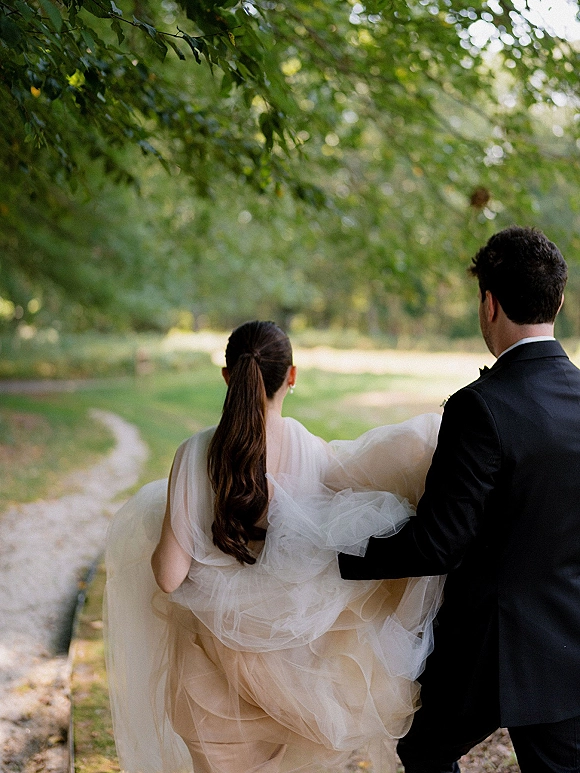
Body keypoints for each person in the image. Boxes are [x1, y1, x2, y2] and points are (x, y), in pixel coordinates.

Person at [104, 320, 444, 773]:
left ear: (227, 377)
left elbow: (168, 578)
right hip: (291, 681)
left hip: (209, 681)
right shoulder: (311, 450)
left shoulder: (193, 453)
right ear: (292, 376)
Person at [339, 226, 580, 773]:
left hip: (485, 648)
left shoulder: (480, 407)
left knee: (421, 752)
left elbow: (438, 544)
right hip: (568, 639)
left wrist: (344, 553)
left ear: (488, 304)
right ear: (558, 302)